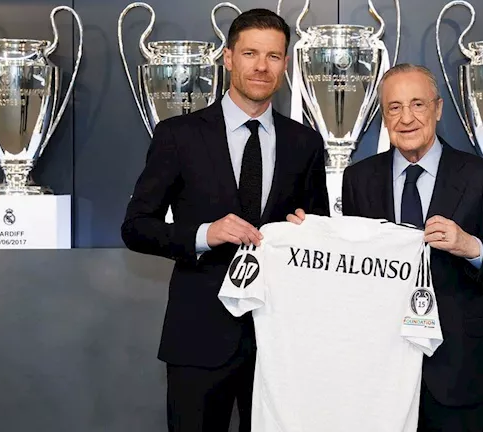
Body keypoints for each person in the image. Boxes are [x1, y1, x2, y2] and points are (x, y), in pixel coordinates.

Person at [287, 63, 483, 431]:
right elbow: (351, 267)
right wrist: (311, 237)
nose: (406, 118)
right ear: (384, 117)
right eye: (394, 107)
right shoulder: (359, 179)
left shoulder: (482, 177)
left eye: (417, 104)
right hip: (378, 366)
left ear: (438, 109)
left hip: (456, 365)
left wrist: (469, 245)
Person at [121, 8, 329, 432]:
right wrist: (204, 234)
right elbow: (136, 226)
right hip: (198, 337)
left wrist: (308, 230)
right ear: (228, 58)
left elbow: (318, 232)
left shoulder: (305, 143)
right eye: (250, 53)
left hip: (278, 341)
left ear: (285, 64)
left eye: (273, 56)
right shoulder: (178, 135)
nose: (261, 66)